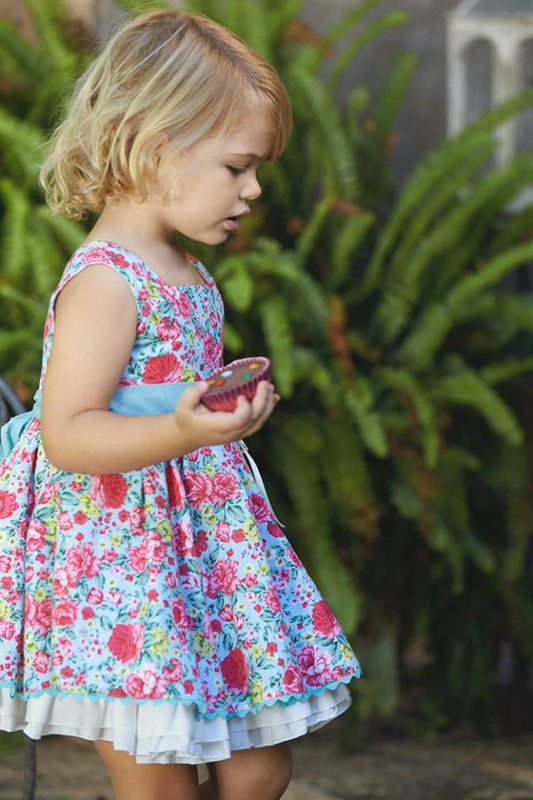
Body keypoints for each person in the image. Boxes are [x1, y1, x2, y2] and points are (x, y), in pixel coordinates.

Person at [0, 9, 361, 800]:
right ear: (155, 146)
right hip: (126, 565)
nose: (254, 188)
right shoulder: (107, 279)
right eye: (236, 167)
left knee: (260, 765)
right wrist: (180, 427)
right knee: (157, 780)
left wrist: (216, 411)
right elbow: (67, 435)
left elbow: (170, 388)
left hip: (206, 556)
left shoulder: (187, 271)